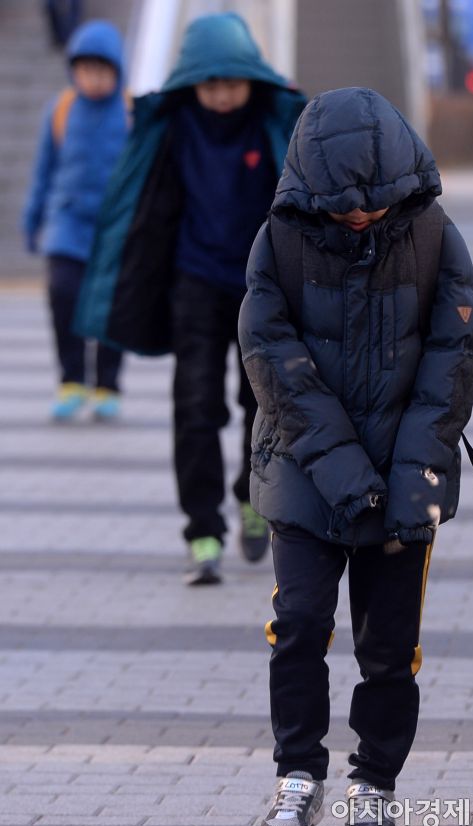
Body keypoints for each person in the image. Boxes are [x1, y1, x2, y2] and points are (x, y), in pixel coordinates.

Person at [238, 87, 473, 826]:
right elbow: (273, 363)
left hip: (403, 472)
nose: (359, 215)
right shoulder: (278, 241)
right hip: (307, 470)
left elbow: (451, 362)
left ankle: (375, 781)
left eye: (372, 203)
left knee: (390, 642)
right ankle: (298, 775)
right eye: (343, 204)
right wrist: (347, 471)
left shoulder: (437, 236)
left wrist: (416, 475)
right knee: (300, 623)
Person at [74, 13, 306, 585]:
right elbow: (135, 202)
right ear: (191, 83)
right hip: (193, 282)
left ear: (251, 78)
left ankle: (254, 499)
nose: (222, 95)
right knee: (196, 405)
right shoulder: (171, 124)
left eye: (232, 82)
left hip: (263, 287)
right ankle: (202, 528)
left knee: (264, 407)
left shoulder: (276, 122)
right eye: (210, 84)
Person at [22, 19, 129, 422]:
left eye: (102, 70)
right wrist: (34, 220)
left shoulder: (131, 111)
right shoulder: (62, 109)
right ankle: (71, 378)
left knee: (111, 309)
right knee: (62, 293)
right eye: (85, 70)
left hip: (113, 230)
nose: (94, 79)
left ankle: (107, 383)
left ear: (117, 70)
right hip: (66, 225)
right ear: (74, 70)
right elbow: (43, 171)